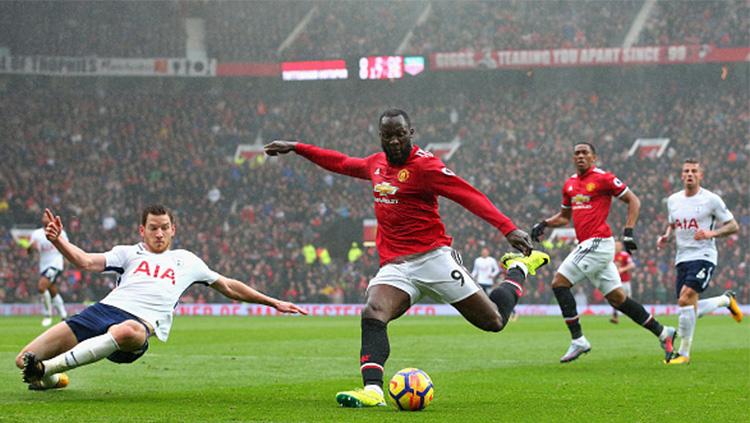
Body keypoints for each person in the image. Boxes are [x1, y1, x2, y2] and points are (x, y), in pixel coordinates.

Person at [265, 108, 548, 408]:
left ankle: (518, 268)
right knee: (373, 312)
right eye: (389, 136)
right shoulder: (376, 164)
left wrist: (508, 228)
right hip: (396, 267)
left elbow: (469, 195)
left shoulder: (426, 167)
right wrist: (297, 147)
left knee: (494, 321)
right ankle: (373, 391)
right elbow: (342, 162)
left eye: (401, 134)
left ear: (411, 133)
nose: (395, 141)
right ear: (381, 137)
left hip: (434, 259)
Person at [16, 206, 307, 390]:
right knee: (23, 360)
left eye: (165, 227)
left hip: (138, 325)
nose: (159, 233)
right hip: (102, 311)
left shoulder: (186, 260)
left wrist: (273, 302)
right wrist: (58, 241)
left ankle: (49, 368)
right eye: (153, 227)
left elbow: (228, 286)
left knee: (127, 330)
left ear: (173, 230)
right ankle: (51, 379)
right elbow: (85, 262)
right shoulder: (127, 252)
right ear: (142, 230)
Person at [530, 142, 676, 363]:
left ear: (593, 158)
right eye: (577, 153)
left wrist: (628, 232)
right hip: (588, 245)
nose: (580, 156)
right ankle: (663, 332)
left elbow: (633, 200)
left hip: (598, 242)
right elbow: (564, 217)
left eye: (585, 153)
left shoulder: (604, 178)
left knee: (559, 283)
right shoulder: (569, 184)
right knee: (618, 299)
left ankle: (578, 340)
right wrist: (544, 223)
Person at [656, 159, 742, 365]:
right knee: (687, 306)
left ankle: (684, 354)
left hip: (704, 256)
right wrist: (666, 236)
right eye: (686, 171)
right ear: (681, 175)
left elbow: (733, 226)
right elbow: (672, 223)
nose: (690, 174)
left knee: (686, 299)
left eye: (694, 171)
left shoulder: (711, 200)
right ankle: (725, 300)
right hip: (682, 257)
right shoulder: (673, 200)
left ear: (701, 176)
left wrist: (712, 232)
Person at [26, 212, 69, 326]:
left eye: (47, 216)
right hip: (43, 265)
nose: (44, 218)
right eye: (43, 216)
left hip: (55, 264)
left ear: (51, 218)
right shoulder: (36, 234)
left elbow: (68, 248)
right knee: (52, 290)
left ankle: (47, 315)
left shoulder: (60, 232)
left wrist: (66, 263)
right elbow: (29, 251)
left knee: (41, 287)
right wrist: (31, 247)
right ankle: (64, 315)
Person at [610, 241, 635, 324]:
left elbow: (632, 265)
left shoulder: (624, 255)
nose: (617, 247)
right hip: (615, 282)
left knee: (628, 298)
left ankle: (632, 315)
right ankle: (615, 316)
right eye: (615, 245)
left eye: (618, 245)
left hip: (625, 281)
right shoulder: (611, 255)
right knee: (615, 298)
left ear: (621, 246)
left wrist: (622, 269)